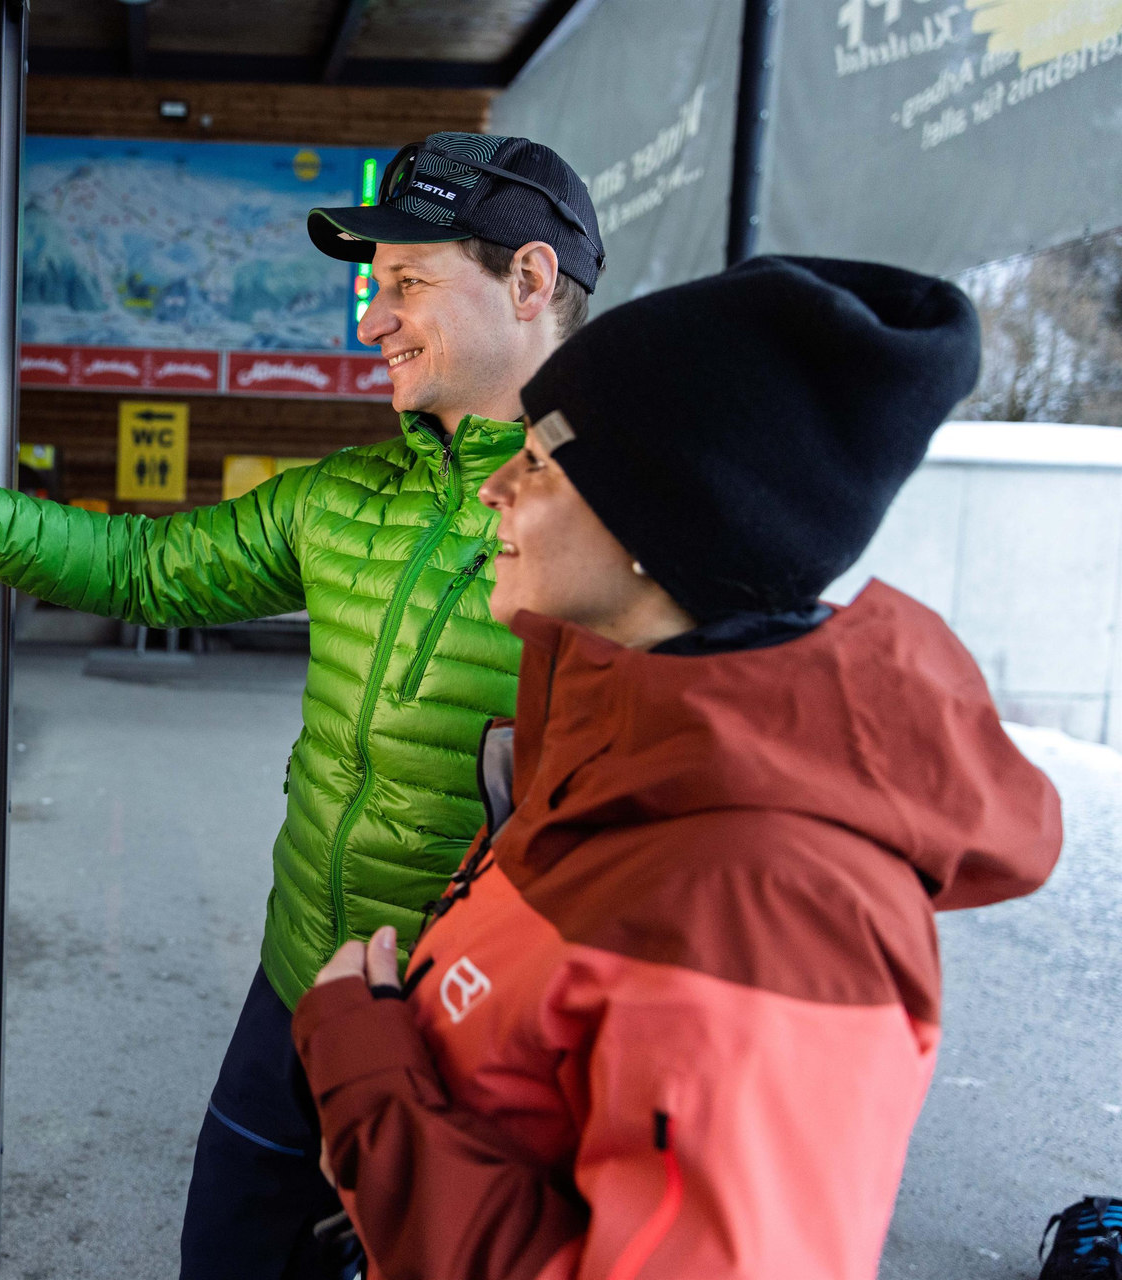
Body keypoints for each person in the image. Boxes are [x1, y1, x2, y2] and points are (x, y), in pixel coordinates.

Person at [0, 133, 606, 1278]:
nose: (373, 320)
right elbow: (145, 569)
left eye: (409, 281)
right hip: (301, 986)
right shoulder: (342, 495)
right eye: (375, 287)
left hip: (483, 1028)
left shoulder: (619, 529)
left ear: (529, 278)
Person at [291, 255, 1064, 1280]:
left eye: (540, 462)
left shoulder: (774, 910)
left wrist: (369, 1086)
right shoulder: (616, 748)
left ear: (663, 524)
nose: (496, 487)